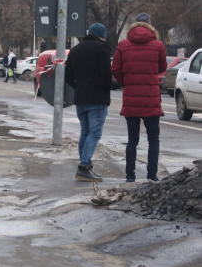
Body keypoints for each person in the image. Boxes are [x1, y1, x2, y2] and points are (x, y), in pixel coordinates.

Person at [111, 13, 167, 183]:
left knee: (132, 139)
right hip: (151, 99)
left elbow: (115, 69)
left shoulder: (123, 45)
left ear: (135, 25)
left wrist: (125, 82)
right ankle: (151, 175)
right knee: (153, 140)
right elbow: (162, 67)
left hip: (131, 100)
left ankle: (130, 176)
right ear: (150, 26)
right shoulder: (158, 45)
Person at [65, 22, 112, 182]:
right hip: (97, 98)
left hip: (80, 98)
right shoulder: (103, 48)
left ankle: (85, 166)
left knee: (85, 132)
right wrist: (106, 88)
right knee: (95, 132)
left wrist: (79, 87)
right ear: (102, 35)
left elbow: (68, 76)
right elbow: (106, 73)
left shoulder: (75, 50)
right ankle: (84, 166)